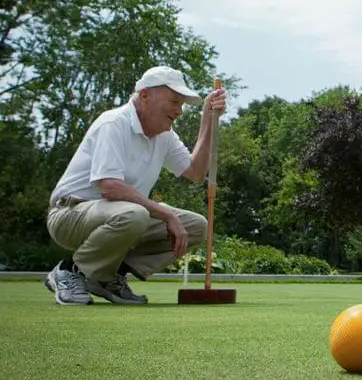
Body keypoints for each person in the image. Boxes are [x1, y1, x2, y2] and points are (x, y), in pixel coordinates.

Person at [43, 66, 226, 305]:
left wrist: (209, 119)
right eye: (174, 101)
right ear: (144, 95)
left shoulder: (164, 135)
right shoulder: (114, 123)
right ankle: (70, 272)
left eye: (181, 104)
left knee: (196, 226)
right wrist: (165, 214)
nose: (179, 111)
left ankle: (108, 277)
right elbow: (110, 187)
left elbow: (195, 172)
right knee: (135, 214)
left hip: (121, 215)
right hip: (69, 214)